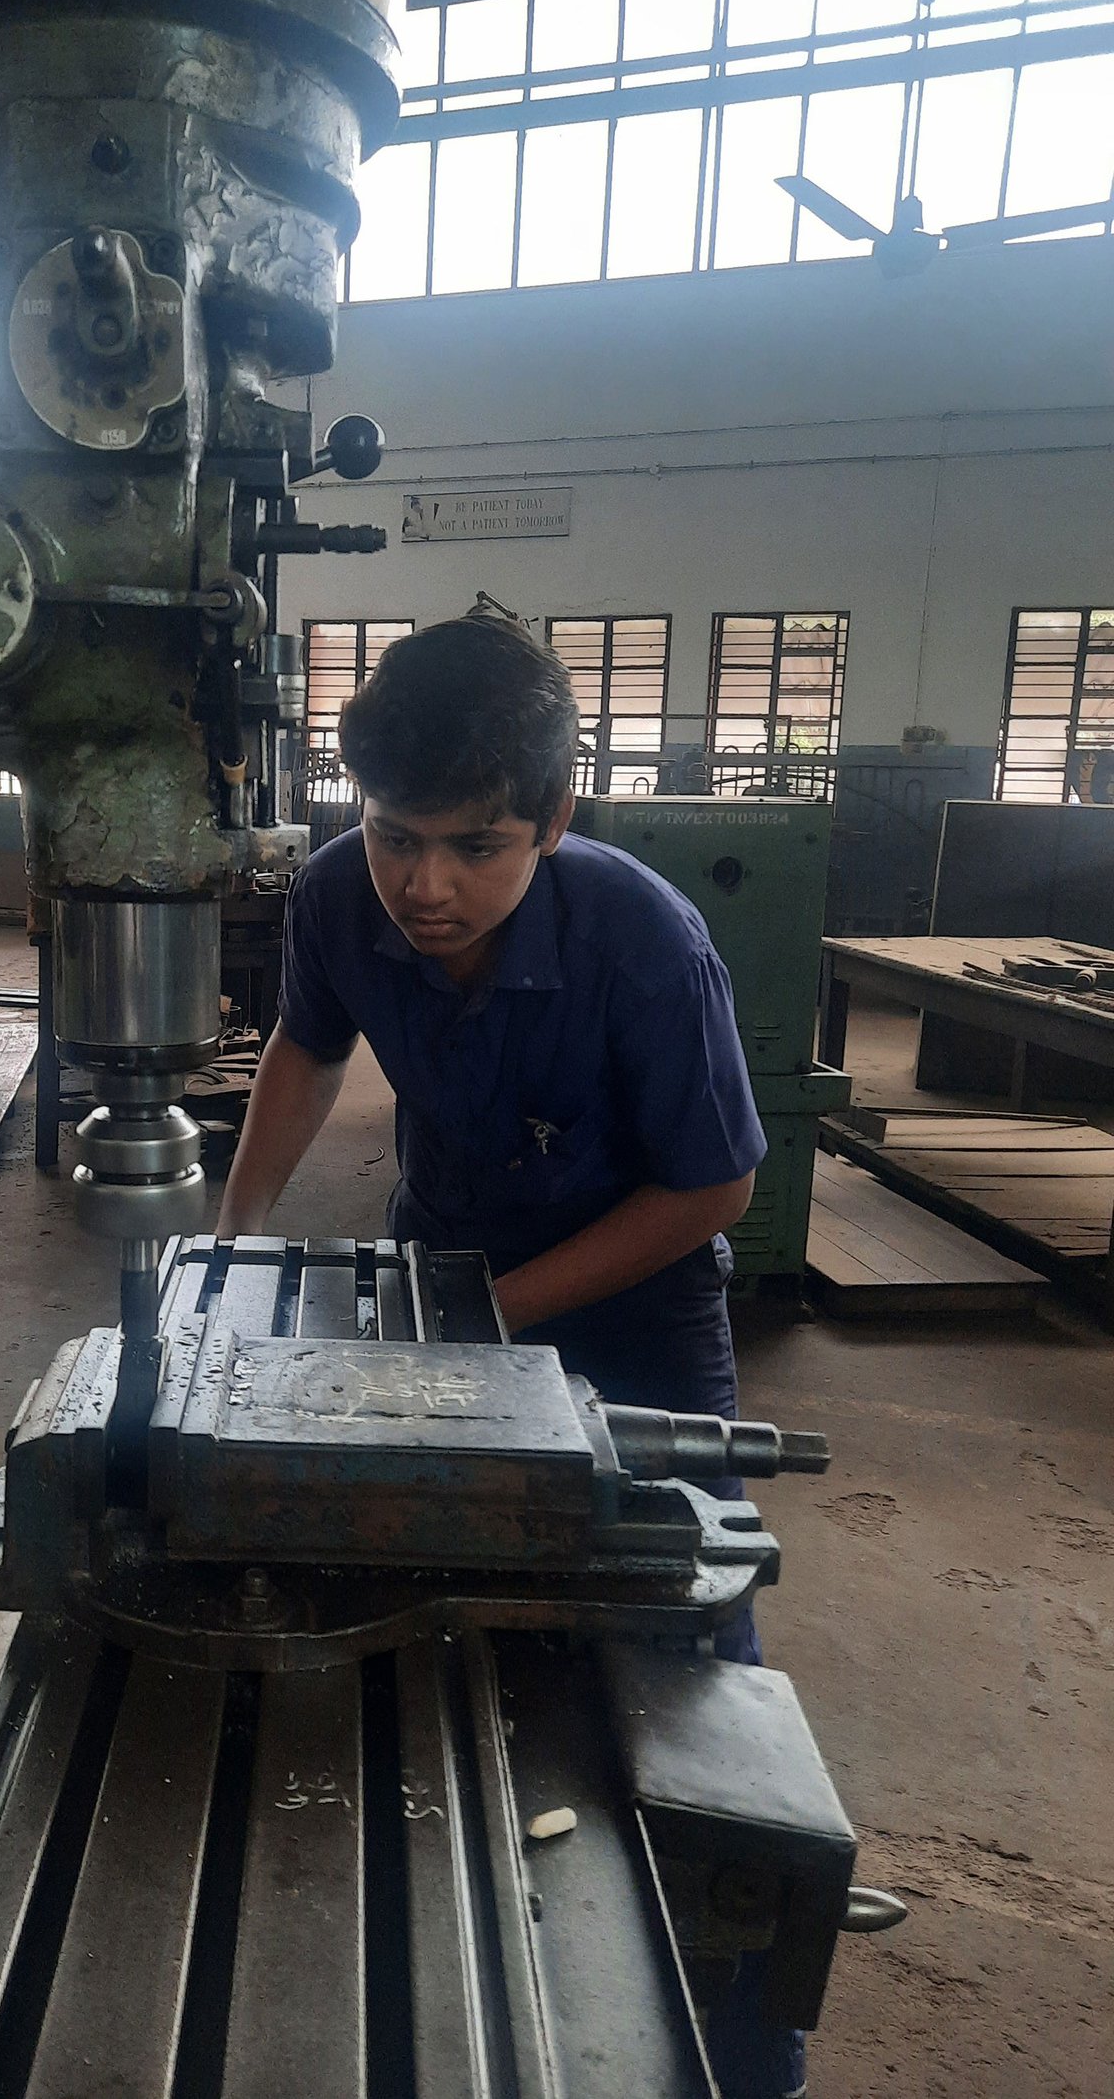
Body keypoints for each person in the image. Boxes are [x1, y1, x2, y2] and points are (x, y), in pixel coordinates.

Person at [217, 610, 805, 2099]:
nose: (424, 885)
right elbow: (307, 1048)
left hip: (635, 1301)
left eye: (474, 846)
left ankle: (744, 2031)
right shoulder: (339, 897)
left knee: (680, 1621)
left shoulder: (644, 943)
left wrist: (501, 1312)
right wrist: (231, 1241)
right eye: (393, 835)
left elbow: (715, 1188)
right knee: (429, 1581)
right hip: (447, 1264)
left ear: (554, 817)